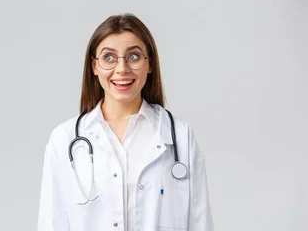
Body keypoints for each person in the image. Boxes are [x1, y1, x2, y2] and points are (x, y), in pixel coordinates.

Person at [37, 13, 213, 231]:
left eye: (133, 57)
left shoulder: (180, 136)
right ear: (94, 66)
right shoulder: (64, 139)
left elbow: (199, 223)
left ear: (150, 64)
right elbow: (51, 223)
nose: (122, 69)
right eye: (109, 57)